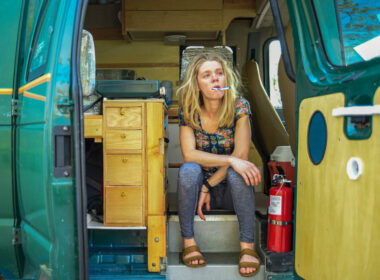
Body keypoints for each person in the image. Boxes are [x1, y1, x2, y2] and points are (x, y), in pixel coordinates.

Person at [177, 53, 262, 277]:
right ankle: (189, 243)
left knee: (237, 171)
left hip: (231, 192)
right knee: (188, 170)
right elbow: (189, 154)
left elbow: (241, 153)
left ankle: (248, 248)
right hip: (198, 196)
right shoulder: (188, 111)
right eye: (207, 75)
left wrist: (208, 186)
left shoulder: (240, 106)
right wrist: (230, 159)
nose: (215, 79)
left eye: (219, 73)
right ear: (196, 83)